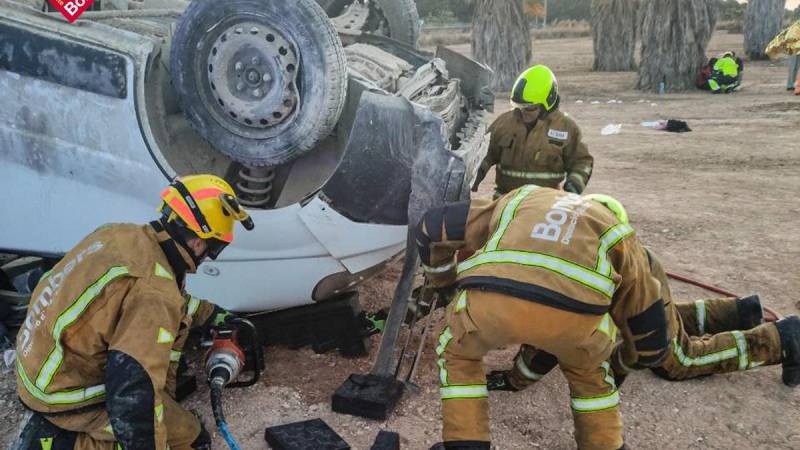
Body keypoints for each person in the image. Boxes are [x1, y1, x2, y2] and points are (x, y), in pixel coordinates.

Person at [11, 175, 254, 450]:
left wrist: (211, 315)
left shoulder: (122, 235)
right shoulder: (154, 293)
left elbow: (158, 299)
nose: (208, 254)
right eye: (214, 246)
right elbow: (133, 396)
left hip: (39, 362)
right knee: (187, 439)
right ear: (199, 241)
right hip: (63, 392)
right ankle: (59, 443)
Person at [418, 186, 669, 450]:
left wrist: (444, 283)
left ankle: (465, 444)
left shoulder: (525, 197)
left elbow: (432, 226)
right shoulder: (619, 233)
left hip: (490, 305)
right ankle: (605, 444)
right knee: (590, 376)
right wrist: (636, 357)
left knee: (459, 354)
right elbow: (645, 313)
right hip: (576, 323)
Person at [486, 196, 800, 393]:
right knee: (667, 318)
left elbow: (548, 343)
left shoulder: (572, 278)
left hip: (638, 287)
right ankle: (741, 311)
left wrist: (515, 381)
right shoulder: (575, 262)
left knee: (677, 360)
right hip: (641, 273)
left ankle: (781, 339)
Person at [472, 65, 593, 199]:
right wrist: (474, 176)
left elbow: (582, 162)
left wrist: (573, 187)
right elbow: (484, 155)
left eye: (529, 109)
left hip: (545, 204)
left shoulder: (566, 128)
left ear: (548, 102)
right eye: (519, 107)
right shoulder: (504, 123)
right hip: (505, 201)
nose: (523, 113)